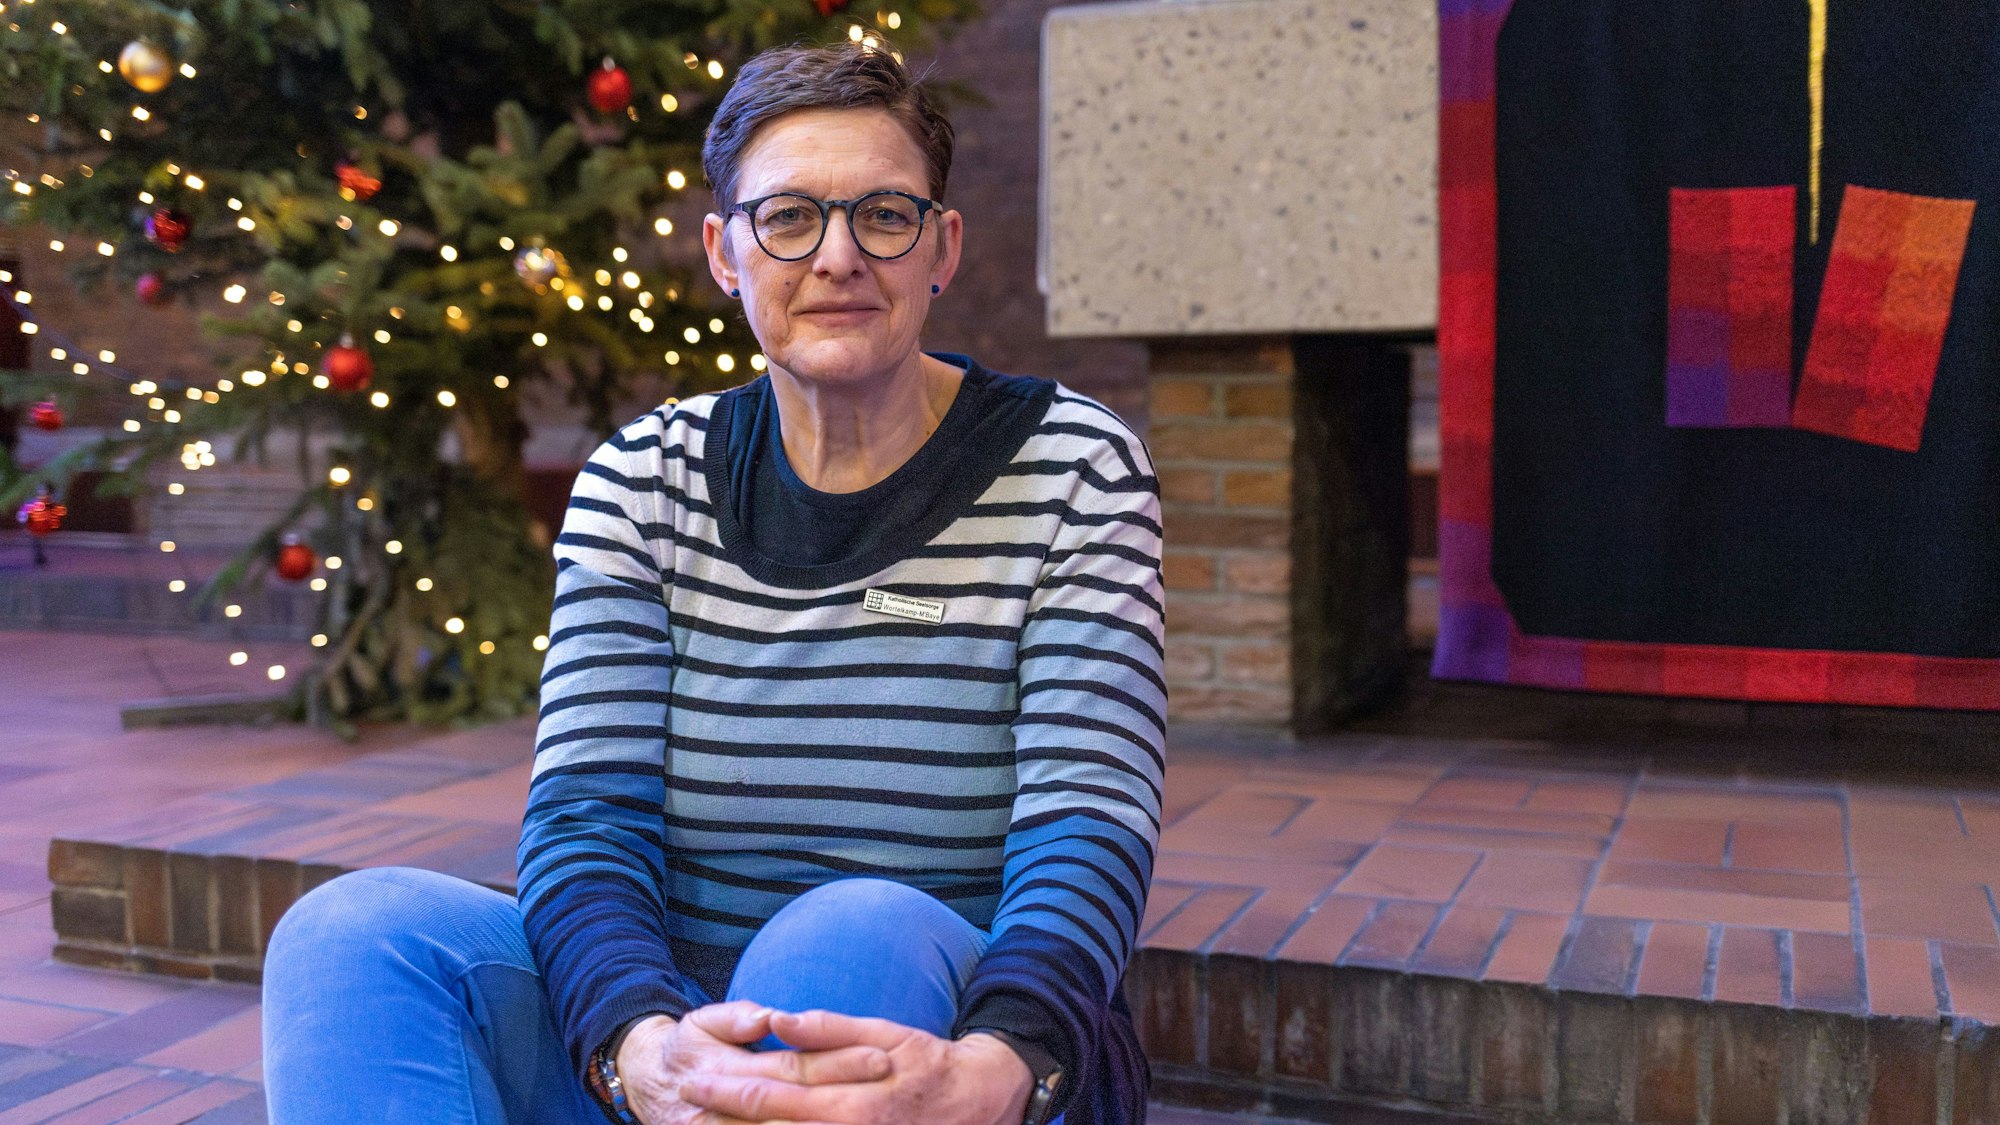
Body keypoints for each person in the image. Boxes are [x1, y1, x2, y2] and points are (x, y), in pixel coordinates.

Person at [261, 40, 1164, 1125]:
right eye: (787, 218)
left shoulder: (1071, 464)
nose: (836, 257)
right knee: (353, 934)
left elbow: (1088, 823)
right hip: (671, 1033)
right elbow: (588, 819)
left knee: (852, 927)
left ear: (942, 248)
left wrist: (1006, 1059)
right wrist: (634, 1045)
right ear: (726, 254)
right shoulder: (640, 480)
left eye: (883, 215)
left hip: (953, 1059)